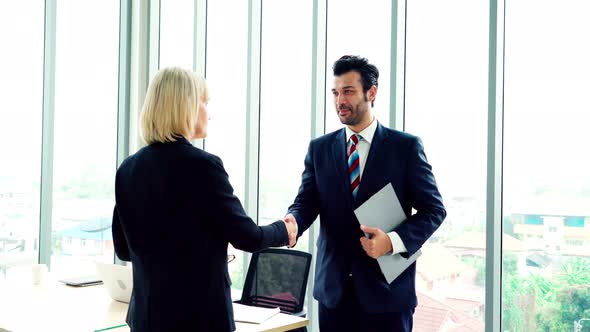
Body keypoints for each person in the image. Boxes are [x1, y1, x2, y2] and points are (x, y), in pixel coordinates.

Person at [112, 67, 297, 332]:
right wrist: (285, 230)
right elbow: (248, 237)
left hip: (147, 320)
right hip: (199, 320)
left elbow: (122, 249)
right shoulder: (202, 166)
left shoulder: (128, 169)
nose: (209, 112)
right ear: (185, 106)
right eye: (205, 102)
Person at [284, 55, 446, 331]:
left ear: (371, 93)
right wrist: (293, 221)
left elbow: (434, 210)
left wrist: (392, 242)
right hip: (334, 295)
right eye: (335, 92)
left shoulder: (404, 148)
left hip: (387, 295)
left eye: (348, 91)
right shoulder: (319, 149)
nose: (339, 101)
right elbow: (306, 203)